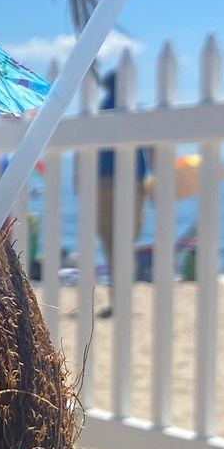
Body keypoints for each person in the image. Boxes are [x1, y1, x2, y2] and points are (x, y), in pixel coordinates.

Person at [96, 68, 152, 301]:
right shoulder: (132, 108)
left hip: (106, 183)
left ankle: (117, 294)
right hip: (134, 182)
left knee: (111, 241)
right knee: (128, 238)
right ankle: (123, 292)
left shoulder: (102, 109)